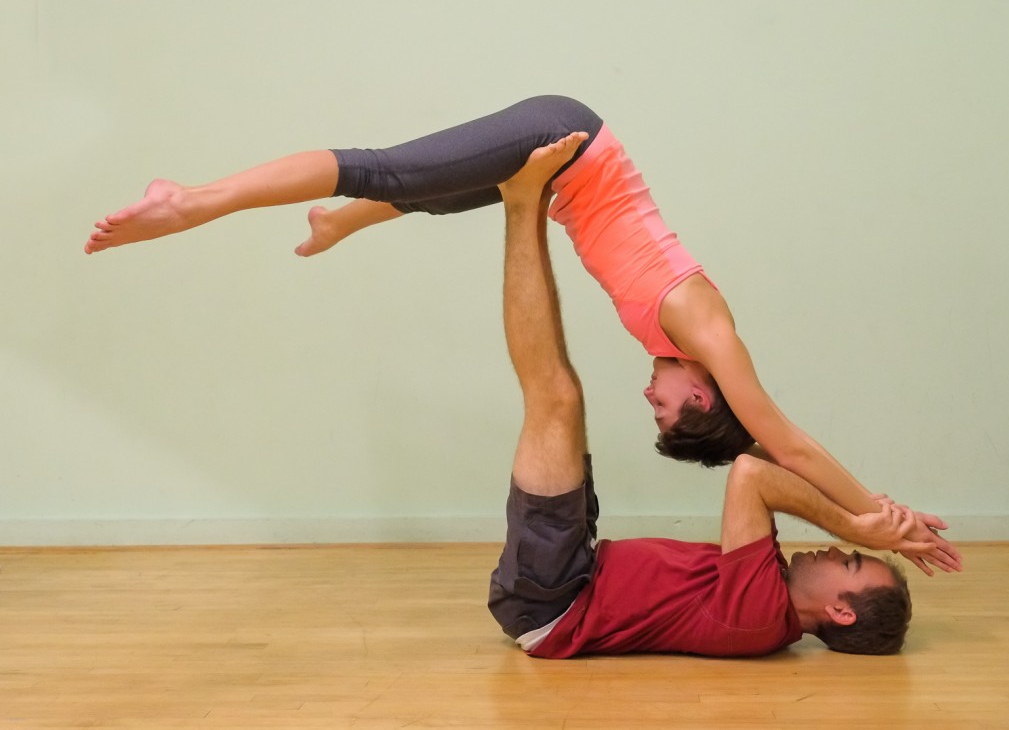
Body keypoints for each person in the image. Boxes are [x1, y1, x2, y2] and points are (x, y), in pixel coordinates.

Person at [83, 96, 960, 576]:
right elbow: (789, 443)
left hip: (560, 168)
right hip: (566, 138)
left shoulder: (674, 331)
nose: (650, 399)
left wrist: (873, 513)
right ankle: (189, 200)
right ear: (706, 396)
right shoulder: (703, 325)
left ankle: (339, 222)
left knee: (420, 190)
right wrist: (875, 513)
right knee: (394, 166)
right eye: (667, 413)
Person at [489, 135, 926, 657]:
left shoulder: (759, 615)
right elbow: (760, 455)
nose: (837, 548)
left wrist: (857, 523)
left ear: (840, 611)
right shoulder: (767, 580)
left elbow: (754, 474)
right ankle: (529, 201)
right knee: (560, 395)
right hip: (575, 569)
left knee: (554, 396)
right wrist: (877, 509)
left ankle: (521, 202)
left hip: (556, 600)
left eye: (849, 562)